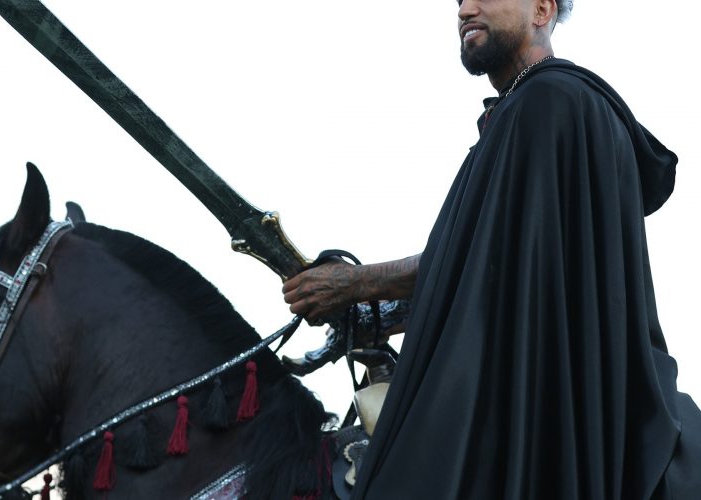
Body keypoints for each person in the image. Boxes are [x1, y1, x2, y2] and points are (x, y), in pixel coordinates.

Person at [282, 0, 701, 498]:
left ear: (542, 9)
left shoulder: (550, 100)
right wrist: (383, 311)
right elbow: (501, 268)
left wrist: (356, 283)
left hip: (552, 390)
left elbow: (478, 254)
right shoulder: (533, 107)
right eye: (458, 1)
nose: (464, 9)